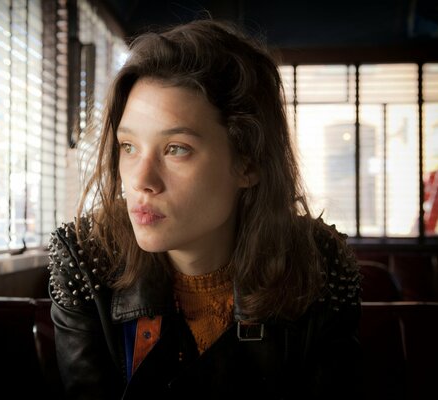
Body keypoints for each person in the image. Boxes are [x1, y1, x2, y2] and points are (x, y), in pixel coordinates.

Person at [48, 18, 362, 400]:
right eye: (128, 146)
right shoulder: (87, 261)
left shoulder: (318, 267)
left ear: (247, 163)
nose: (141, 179)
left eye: (176, 148)